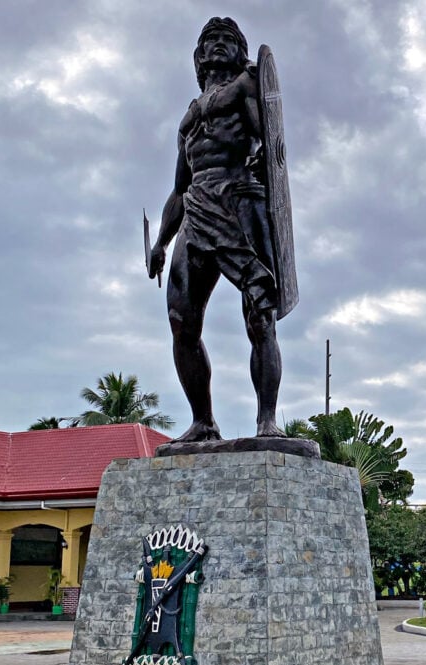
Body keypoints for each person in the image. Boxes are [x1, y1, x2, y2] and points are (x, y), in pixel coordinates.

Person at [147, 17, 287, 442]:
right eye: (211, 40)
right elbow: (178, 187)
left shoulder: (247, 85)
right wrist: (160, 241)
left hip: (242, 199)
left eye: (228, 39)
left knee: (259, 315)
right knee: (181, 323)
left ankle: (267, 421)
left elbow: (269, 144)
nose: (219, 45)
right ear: (199, 55)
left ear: (239, 50)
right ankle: (203, 421)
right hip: (196, 209)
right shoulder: (188, 120)